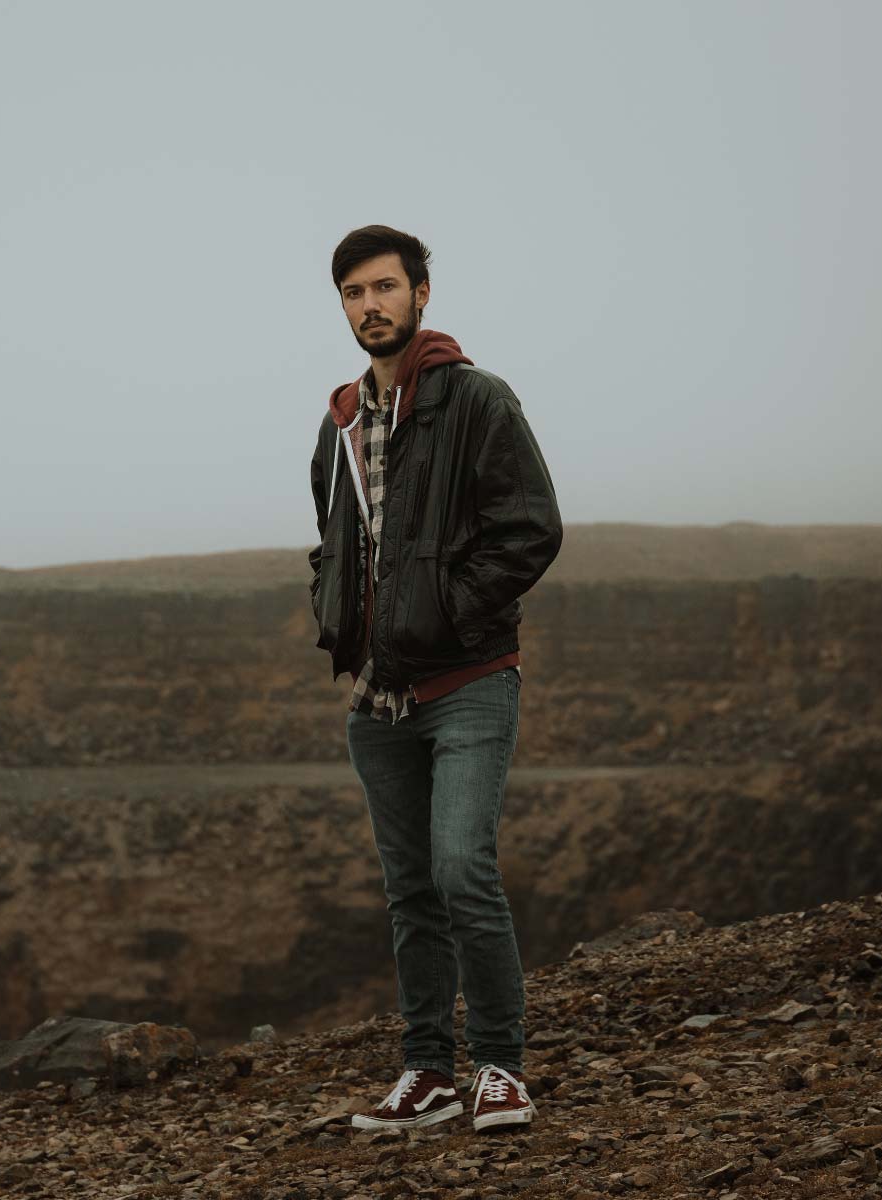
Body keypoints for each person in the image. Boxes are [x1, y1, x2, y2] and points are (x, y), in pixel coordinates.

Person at [307, 224, 563, 1132]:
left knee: (462, 870)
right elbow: (336, 543)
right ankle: (428, 1073)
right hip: (376, 705)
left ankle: (499, 1066)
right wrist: (334, 613)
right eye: (352, 293)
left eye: (384, 288)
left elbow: (531, 527)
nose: (369, 306)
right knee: (411, 889)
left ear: (420, 295)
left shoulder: (477, 401)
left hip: (470, 683)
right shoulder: (340, 423)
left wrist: (446, 611)